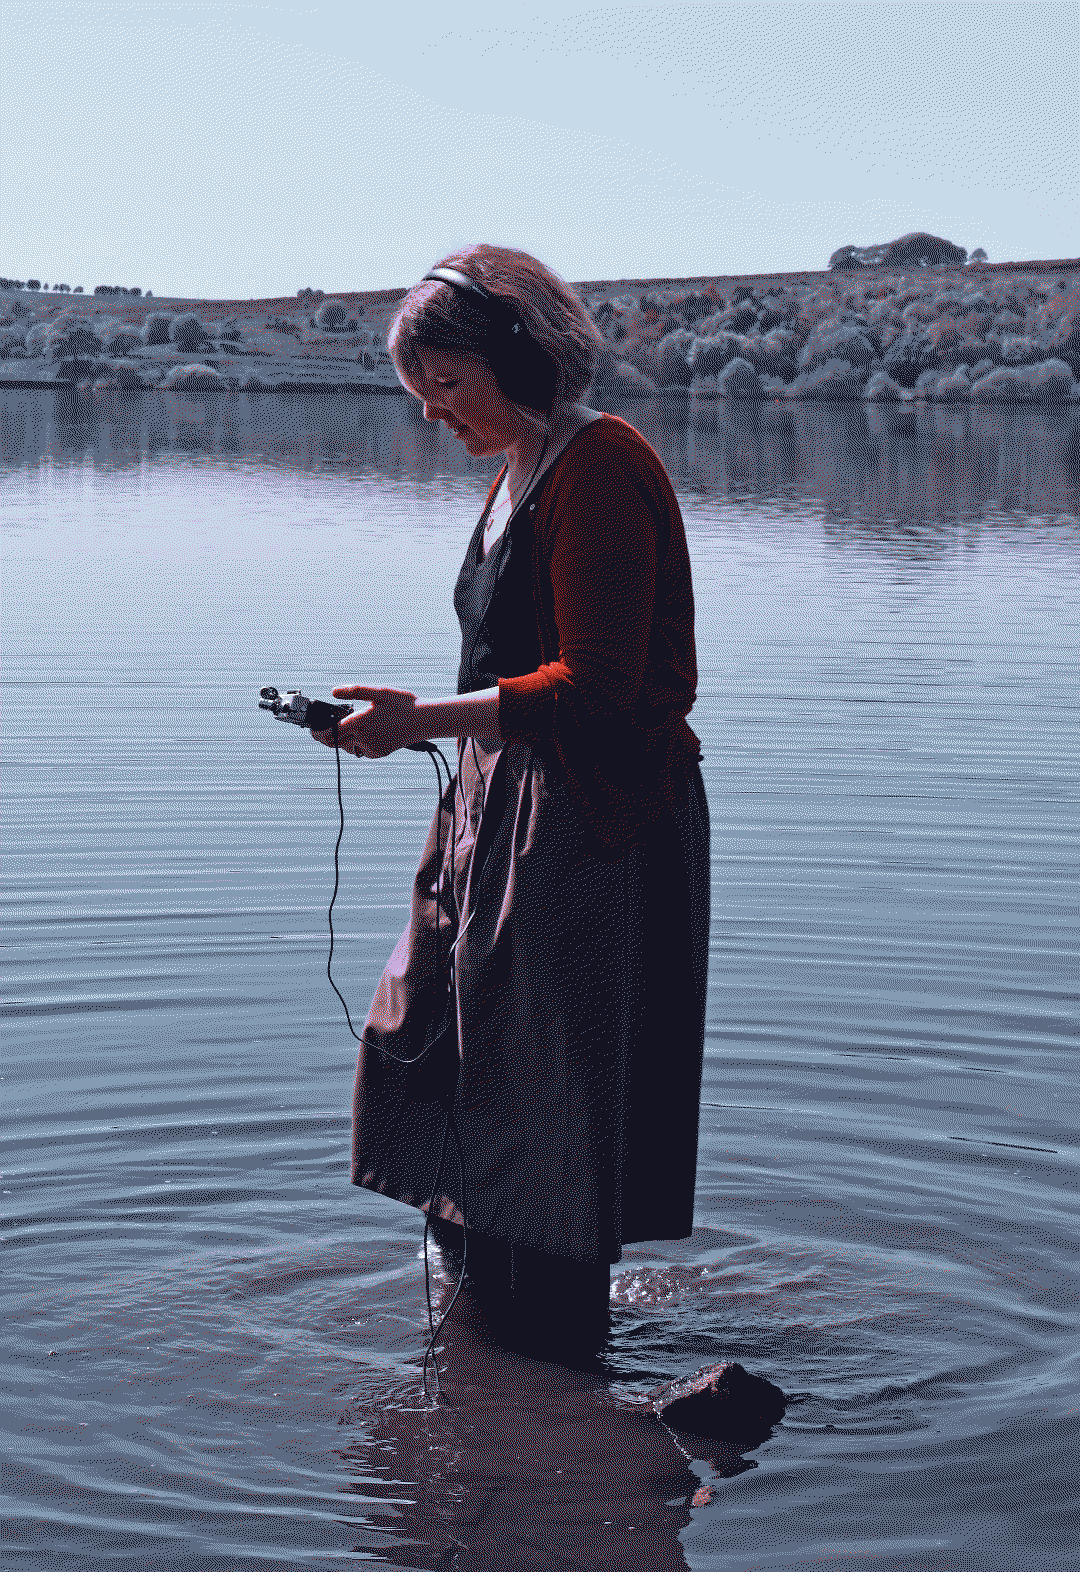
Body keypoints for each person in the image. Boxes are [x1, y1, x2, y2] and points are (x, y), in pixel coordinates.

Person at [315, 244, 709, 1359]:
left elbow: (596, 687)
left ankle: (558, 1357)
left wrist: (417, 721)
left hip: (593, 821)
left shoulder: (602, 465)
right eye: (418, 394)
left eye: (446, 385)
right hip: (496, 808)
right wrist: (424, 730)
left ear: (518, 354)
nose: (434, 414)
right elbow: (512, 666)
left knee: (549, 1084)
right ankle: (491, 1369)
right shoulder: (517, 473)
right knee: (436, 1038)